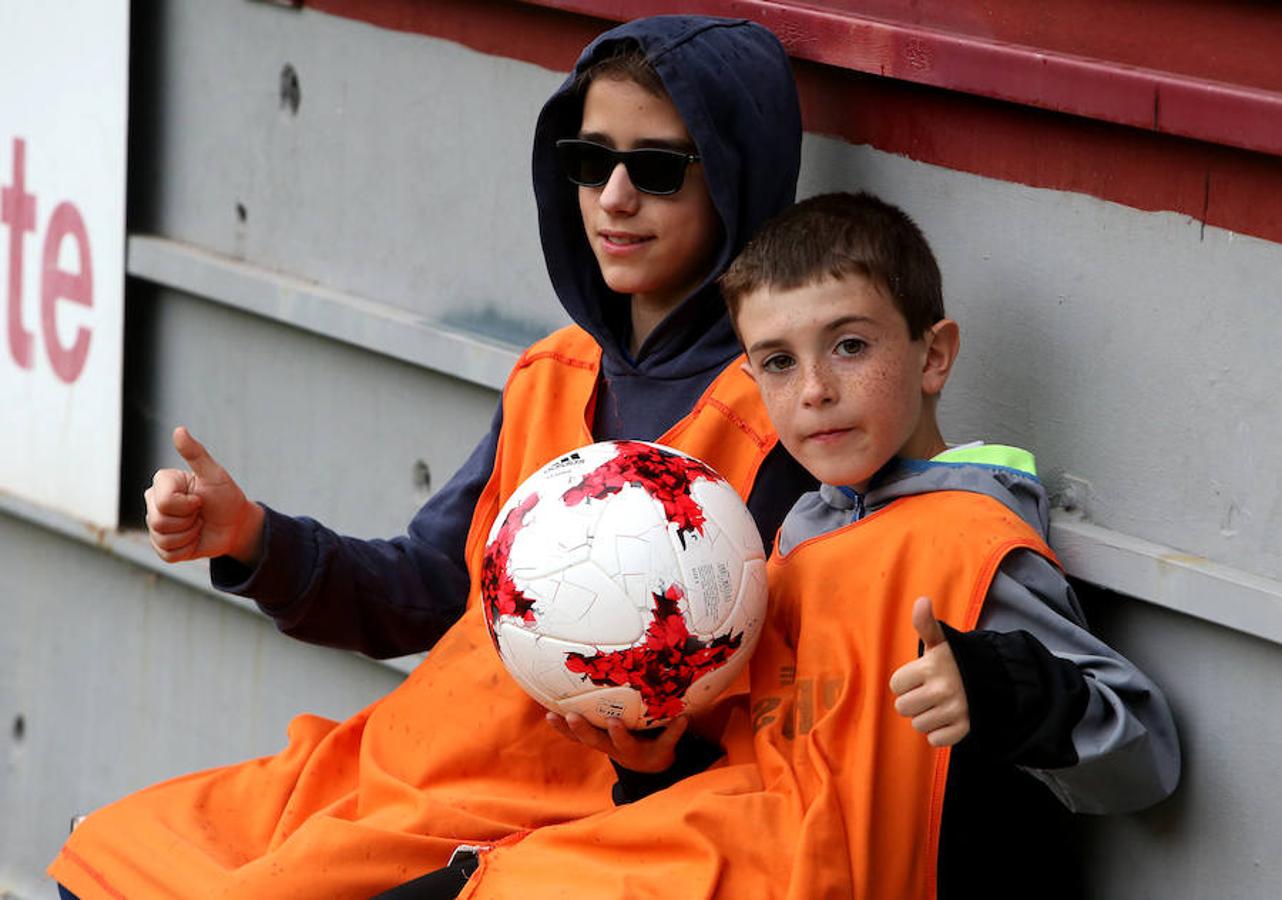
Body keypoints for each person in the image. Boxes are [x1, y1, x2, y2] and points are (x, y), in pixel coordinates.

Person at [49, 16, 816, 898]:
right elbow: (427, 587)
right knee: (111, 859)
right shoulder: (552, 372)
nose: (612, 198)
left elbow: (770, 714)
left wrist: (659, 756)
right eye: (586, 159)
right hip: (403, 760)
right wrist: (254, 540)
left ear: (736, 180)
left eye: (655, 168)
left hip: (546, 814)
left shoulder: (778, 419)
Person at [434, 192, 1180, 899]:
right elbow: (776, 768)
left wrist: (998, 691)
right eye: (780, 362)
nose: (815, 388)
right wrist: (658, 764)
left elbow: (1145, 758)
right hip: (732, 858)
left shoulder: (976, 542)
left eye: (849, 345)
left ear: (934, 357)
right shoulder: (794, 537)